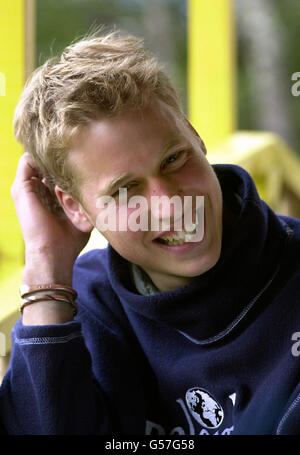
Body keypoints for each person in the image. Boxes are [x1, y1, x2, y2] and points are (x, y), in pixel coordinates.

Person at [0, 30, 300, 435]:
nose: (168, 203)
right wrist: (45, 272)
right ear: (73, 206)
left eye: (174, 159)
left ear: (195, 136)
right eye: (124, 190)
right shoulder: (82, 305)